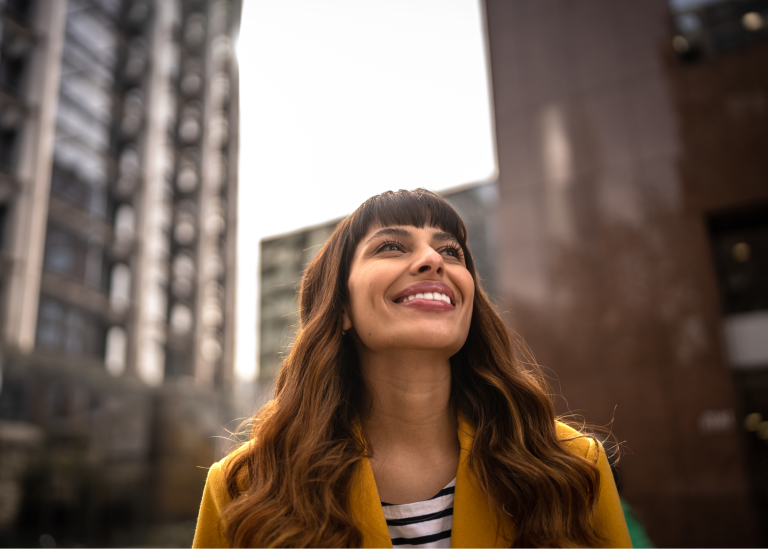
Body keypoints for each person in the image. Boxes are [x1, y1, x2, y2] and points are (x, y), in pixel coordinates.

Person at [192, 189, 632, 549]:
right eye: (391, 246)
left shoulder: (571, 466)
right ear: (341, 307)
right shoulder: (243, 489)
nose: (433, 260)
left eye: (450, 251)